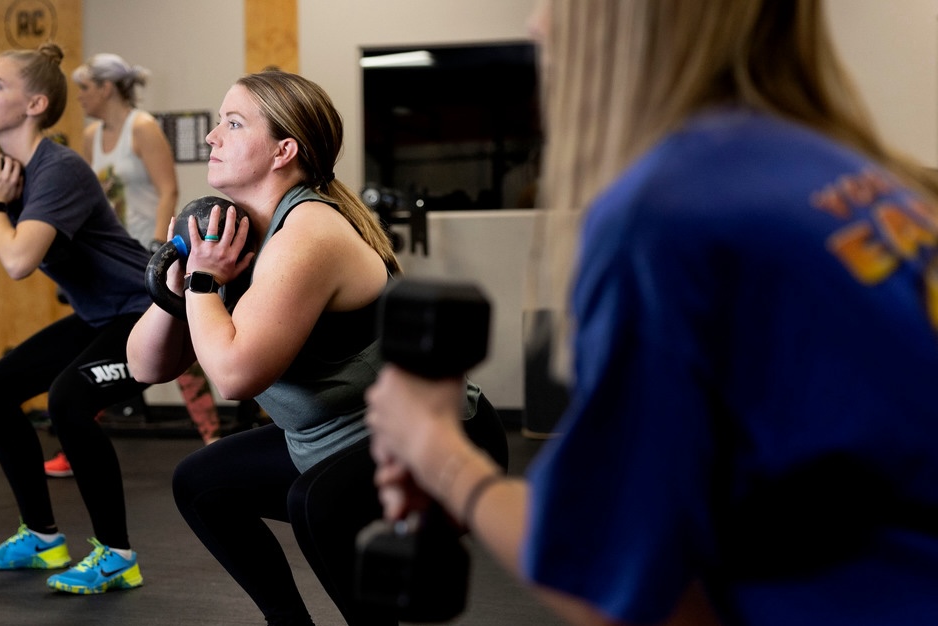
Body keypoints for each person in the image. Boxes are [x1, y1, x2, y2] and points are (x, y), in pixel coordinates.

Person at [365, 1, 938, 625]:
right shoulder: (858, 175)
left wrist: (433, 445)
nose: (537, 24)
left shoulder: (670, 212)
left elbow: (627, 600)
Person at [126, 69, 508, 625]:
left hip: (437, 441)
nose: (212, 137)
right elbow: (144, 365)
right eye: (217, 122)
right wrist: (176, 286)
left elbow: (235, 377)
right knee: (201, 482)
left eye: (233, 123)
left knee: (317, 502)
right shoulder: (231, 234)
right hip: (330, 441)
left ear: (284, 150)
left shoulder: (308, 233)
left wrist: (204, 285)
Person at [0, 43, 152, 595]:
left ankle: (118, 555)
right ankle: (42, 537)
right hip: (100, 316)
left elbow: (19, 261)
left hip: (150, 315)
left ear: (35, 103)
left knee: (68, 400)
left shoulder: (60, 170)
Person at [40, 53, 224, 480]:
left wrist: (160, 252)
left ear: (106, 88)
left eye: (85, 87)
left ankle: (214, 440)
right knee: (99, 352)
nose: (80, 96)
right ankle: (75, 438)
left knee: (180, 353)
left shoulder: (142, 128)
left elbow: (168, 189)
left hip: (148, 251)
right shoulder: (89, 135)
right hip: (109, 258)